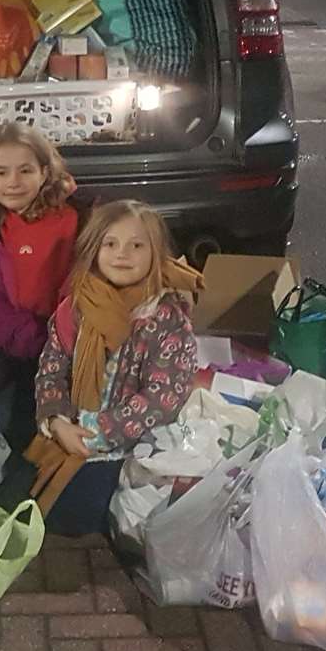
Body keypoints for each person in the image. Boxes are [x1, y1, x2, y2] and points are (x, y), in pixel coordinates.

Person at [32, 200, 200, 537]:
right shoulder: (76, 306)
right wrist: (56, 420)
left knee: (76, 519)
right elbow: (52, 367)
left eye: (136, 245)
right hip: (71, 431)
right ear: (94, 249)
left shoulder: (165, 318)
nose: (122, 254)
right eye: (110, 244)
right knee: (28, 499)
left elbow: (163, 396)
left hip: (129, 446)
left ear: (155, 254)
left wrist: (103, 430)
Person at [0, 122, 80, 451]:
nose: (13, 183)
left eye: (25, 171)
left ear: (44, 172)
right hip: (7, 338)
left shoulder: (75, 218)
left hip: (59, 343)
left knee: (28, 426)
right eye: (2, 173)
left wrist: (58, 343)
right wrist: (26, 339)